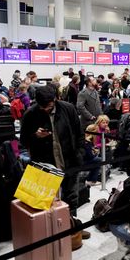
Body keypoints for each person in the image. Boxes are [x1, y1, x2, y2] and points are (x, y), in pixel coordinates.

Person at [20, 86, 84, 217]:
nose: (45, 110)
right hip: (45, 164)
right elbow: (24, 141)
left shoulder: (68, 109)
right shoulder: (30, 114)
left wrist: (80, 153)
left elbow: (79, 133)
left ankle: (72, 228)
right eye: (42, 107)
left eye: (48, 107)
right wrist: (35, 136)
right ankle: (52, 230)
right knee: (44, 201)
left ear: (55, 99)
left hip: (70, 160)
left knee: (71, 196)